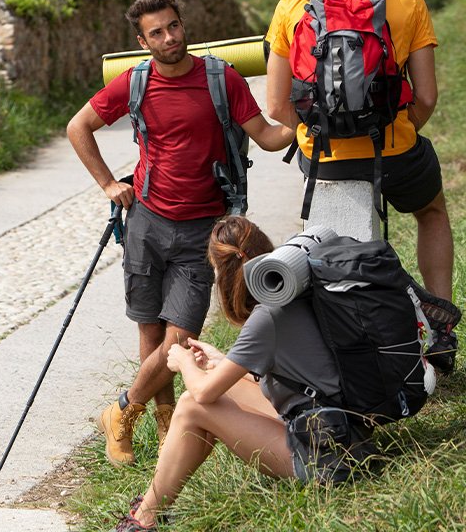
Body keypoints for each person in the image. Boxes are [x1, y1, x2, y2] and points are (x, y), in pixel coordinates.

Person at [67, 0, 294, 466]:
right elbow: (78, 127)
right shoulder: (134, 82)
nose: (169, 37)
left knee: (180, 339)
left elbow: (269, 137)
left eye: (174, 26)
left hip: (202, 230)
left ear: (182, 24)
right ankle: (167, 424)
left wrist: (306, 120)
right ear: (141, 39)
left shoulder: (221, 79)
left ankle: (122, 411)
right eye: (157, 32)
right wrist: (109, 183)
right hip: (146, 220)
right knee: (150, 331)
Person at [112, 216, 376, 531]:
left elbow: (203, 394)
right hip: (349, 435)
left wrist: (184, 362)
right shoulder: (298, 293)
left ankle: (144, 520)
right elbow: (287, 383)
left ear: (223, 273)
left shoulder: (266, 319)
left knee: (192, 406)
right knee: (216, 391)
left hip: (323, 459)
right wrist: (222, 362)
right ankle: (154, 503)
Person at [265, 0, 454, 302]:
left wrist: (317, 130)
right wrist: (395, 127)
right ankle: (441, 319)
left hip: (324, 156)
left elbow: (277, 107)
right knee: (432, 212)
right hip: (395, 151)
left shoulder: (292, 5)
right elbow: (427, 96)